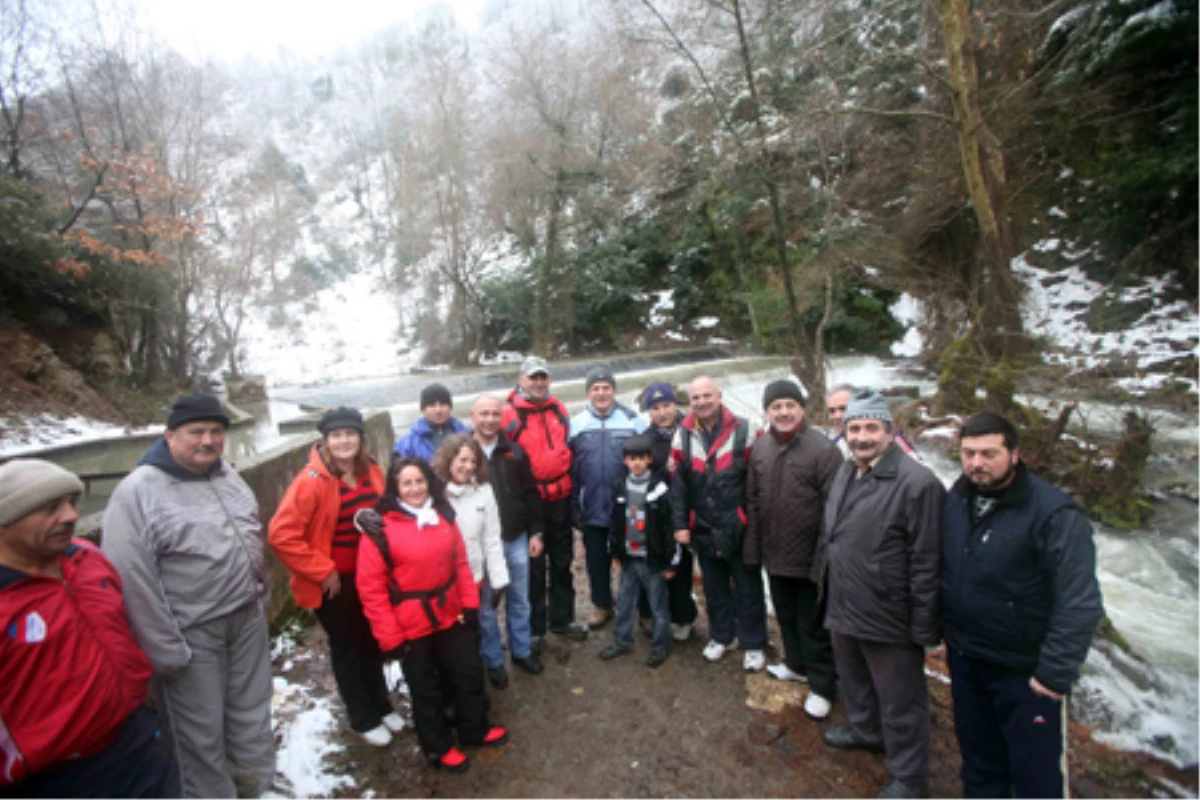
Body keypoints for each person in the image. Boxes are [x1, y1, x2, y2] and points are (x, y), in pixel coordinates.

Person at [103, 393, 277, 799]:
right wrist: (165, 649)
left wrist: (261, 599)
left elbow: (250, 537)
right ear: (169, 436)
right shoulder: (138, 492)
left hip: (246, 618)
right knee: (199, 734)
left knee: (252, 713)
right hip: (192, 633)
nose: (208, 440)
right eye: (196, 432)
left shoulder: (226, 475)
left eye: (216, 432)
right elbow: (131, 577)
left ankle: (257, 786)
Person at [942, 412, 1104, 800]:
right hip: (966, 658)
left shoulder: (1054, 514)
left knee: (1036, 777)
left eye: (988, 453)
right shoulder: (958, 497)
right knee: (979, 763)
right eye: (968, 453)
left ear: (1014, 454)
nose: (976, 463)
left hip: (1024, 672)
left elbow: (1079, 601)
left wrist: (1052, 674)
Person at [0, 459, 176, 798]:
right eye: (50, 508)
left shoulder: (87, 558)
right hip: (58, 777)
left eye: (71, 503)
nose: (69, 516)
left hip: (136, 741)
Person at [815, 389, 944, 800]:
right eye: (854, 428)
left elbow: (928, 561)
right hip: (843, 598)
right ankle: (866, 730)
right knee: (854, 677)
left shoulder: (917, 483)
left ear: (890, 432)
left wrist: (924, 624)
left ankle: (910, 774)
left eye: (872, 428)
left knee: (901, 698)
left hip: (889, 611)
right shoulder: (846, 469)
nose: (862, 436)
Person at [356, 457, 508, 774]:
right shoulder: (379, 529)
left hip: (448, 612)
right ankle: (438, 747)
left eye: (420, 481)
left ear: (430, 483)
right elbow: (372, 591)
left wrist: (469, 603)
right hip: (410, 622)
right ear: (395, 487)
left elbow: (461, 565)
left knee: (468, 671)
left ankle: (474, 728)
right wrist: (390, 638)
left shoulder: (443, 516)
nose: (415, 489)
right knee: (425, 689)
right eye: (406, 483)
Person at [267, 407, 402, 747]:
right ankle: (361, 716)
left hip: (370, 577)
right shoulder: (311, 483)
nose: (344, 442)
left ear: (360, 438)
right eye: (336, 436)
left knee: (372, 639)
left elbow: (383, 515)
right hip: (335, 584)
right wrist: (322, 569)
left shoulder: (371, 469)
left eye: (350, 434)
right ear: (325, 441)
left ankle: (381, 704)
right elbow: (281, 535)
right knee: (348, 647)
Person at [744, 380, 843, 721]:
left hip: (810, 556)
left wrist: (823, 559)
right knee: (785, 614)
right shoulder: (760, 449)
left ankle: (822, 684)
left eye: (790, 405)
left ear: (802, 409)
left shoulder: (824, 451)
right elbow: (753, 501)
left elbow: (834, 511)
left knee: (813, 623)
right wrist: (753, 550)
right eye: (776, 407)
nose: (783, 413)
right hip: (775, 553)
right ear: (767, 412)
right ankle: (795, 664)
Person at [670, 375, 768, 671]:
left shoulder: (747, 429)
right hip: (702, 525)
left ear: (719, 396)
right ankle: (722, 636)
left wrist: (754, 520)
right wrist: (680, 525)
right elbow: (679, 486)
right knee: (714, 587)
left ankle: (753, 643)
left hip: (739, 525)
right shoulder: (683, 434)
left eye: (706, 396)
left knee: (748, 586)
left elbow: (759, 479)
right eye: (695, 398)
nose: (701, 402)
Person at [502, 356, 587, 646]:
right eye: (533, 377)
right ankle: (536, 629)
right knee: (534, 567)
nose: (538, 383)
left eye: (543, 377)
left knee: (563, 561)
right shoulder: (510, 414)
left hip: (560, 496)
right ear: (522, 379)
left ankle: (563, 619)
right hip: (530, 502)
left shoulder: (558, 408)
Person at [469, 394, 545, 677]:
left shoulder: (515, 452)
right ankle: (492, 660)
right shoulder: (463, 454)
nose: (489, 420)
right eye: (483, 414)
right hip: (480, 544)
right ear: (472, 417)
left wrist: (536, 532)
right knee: (486, 606)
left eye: (494, 414)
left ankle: (521, 650)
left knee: (519, 598)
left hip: (515, 537)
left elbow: (531, 495)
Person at [569, 365, 647, 629]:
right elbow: (569, 468)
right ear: (588, 393)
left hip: (627, 506)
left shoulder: (633, 420)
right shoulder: (576, 424)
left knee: (636, 559)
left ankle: (644, 610)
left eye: (606, 388)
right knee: (595, 561)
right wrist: (572, 504)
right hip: (590, 505)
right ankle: (602, 605)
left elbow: (647, 459)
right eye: (595, 389)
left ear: (614, 391)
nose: (601, 393)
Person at [431, 434, 511, 688]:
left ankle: (494, 662)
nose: (467, 466)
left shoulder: (484, 492)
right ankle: (459, 670)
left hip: (476, 572)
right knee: (453, 627)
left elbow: (492, 537)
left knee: (486, 618)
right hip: (445, 577)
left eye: (473, 461)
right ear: (449, 459)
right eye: (462, 459)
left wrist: (498, 579)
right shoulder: (433, 493)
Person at [598, 435, 676, 667]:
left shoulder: (659, 488)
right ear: (625, 460)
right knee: (623, 602)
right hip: (628, 558)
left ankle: (661, 647)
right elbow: (615, 523)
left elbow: (667, 527)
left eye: (642, 458)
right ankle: (622, 641)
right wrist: (615, 553)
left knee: (658, 606)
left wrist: (671, 561)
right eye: (632, 459)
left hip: (652, 560)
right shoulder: (620, 486)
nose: (637, 463)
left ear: (649, 459)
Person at [641, 382, 698, 640]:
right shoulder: (646, 441)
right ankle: (652, 613)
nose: (662, 412)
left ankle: (684, 617)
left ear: (676, 405)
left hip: (692, 510)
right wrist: (666, 470)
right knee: (658, 565)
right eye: (655, 408)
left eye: (666, 405)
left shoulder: (692, 430)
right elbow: (643, 477)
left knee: (684, 568)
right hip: (661, 515)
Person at [827, 383, 922, 462]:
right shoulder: (836, 444)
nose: (837, 416)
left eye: (843, 408)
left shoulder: (895, 442)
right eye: (832, 411)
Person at [393, 383, 469, 461]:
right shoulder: (408, 443)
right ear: (423, 409)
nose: (438, 410)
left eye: (442, 404)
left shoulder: (465, 435)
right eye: (432, 405)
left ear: (450, 407)